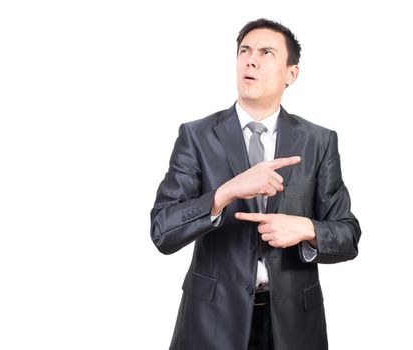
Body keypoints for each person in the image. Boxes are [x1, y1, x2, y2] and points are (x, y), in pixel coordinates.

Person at [150, 18, 361, 350]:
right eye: (245, 51)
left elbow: (348, 236)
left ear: (292, 73)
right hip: (211, 323)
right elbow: (162, 231)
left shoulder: (319, 141)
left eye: (266, 53)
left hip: (293, 326)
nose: (250, 60)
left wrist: (307, 229)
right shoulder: (197, 136)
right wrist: (224, 193)